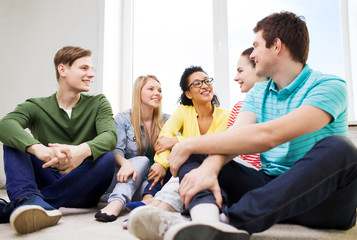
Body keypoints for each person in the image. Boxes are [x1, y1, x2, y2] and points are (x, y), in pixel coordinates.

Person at [127, 11, 357, 240]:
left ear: (276, 45)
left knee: (341, 148)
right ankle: (207, 223)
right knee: (197, 153)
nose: (253, 53)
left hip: (325, 201)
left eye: (256, 46)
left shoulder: (330, 86)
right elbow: (236, 136)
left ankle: (230, 221)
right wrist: (208, 164)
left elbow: (271, 135)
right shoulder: (258, 92)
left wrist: (188, 143)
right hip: (269, 187)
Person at [0, 46, 117, 234]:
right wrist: (39, 149)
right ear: (62, 70)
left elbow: (110, 136)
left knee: (107, 158)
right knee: (13, 141)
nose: (91, 74)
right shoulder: (36, 106)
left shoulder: (98, 103)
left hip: (82, 187)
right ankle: (28, 200)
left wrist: (80, 151)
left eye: (92, 69)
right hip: (48, 175)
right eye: (84, 68)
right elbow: (4, 125)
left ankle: (24, 203)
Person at [127, 66, 230, 216]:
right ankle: (150, 200)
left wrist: (178, 140)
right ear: (188, 94)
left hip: (211, 167)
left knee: (185, 160)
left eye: (207, 81)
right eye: (197, 83)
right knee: (168, 163)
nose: (205, 85)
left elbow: (215, 144)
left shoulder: (226, 116)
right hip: (183, 166)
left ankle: (154, 206)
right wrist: (161, 164)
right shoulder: (183, 111)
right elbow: (164, 139)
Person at [95, 75, 170, 222]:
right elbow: (115, 151)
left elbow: (176, 150)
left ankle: (107, 197)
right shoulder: (122, 119)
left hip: (148, 180)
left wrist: (162, 165)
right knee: (142, 160)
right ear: (138, 92)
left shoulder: (167, 120)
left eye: (159, 90)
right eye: (151, 89)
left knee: (155, 192)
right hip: (123, 176)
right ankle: (116, 201)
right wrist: (126, 163)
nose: (157, 93)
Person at [228, 47, 268, 169]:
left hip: (261, 173)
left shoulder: (274, 103)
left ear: (258, 66)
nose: (235, 77)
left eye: (240, 71)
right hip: (241, 171)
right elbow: (229, 143)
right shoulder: (237, 107)